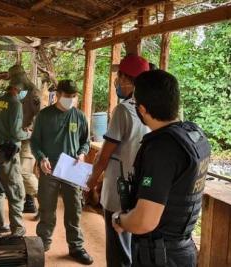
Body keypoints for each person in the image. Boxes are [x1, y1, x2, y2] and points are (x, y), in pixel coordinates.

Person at [112, 70, 211, 267]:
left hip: (159, 256)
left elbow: (144, 221)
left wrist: (121, 220)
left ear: (142, 109)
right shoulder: (194, 135)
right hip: (183, 251)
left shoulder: (162, 148)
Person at [87, 54, 150, 267]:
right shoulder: (152, 108)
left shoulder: (124, 109)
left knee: (118, 251)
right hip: (141, 190)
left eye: (119, 77)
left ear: (127, 79)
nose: (117, 82)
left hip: (119, 192)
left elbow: (104, 155)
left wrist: (91, 180)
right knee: (134, 249)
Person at [31, 79, 93, 265]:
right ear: (57, 95)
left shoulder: (80, 117)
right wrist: (41, 158)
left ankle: (76, 246)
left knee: (74, 209)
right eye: (67, 96)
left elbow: (86, 142)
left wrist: (82, 154)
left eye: (74, 97)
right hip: (49, 167)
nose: (71, 100)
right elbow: (35, 142)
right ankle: (43, 244)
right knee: (47, 210)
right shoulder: (44, 116)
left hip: (72, 168)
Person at [0, 70, 31, 236]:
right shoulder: (15, 104)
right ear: (19, 88)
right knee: (16, 191)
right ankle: (17, 228)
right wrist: (29, 133)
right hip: (9, 154)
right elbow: (16, 133)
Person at [8, 65, 41, 213]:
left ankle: (44, 200)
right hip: (18, 137)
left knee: (24, 172)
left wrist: (32, 127)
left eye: (14, 78)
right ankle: (29, 203)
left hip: (28, 139)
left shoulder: (34, 93)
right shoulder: (20, 92)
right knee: (20, 171)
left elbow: (40, 114)